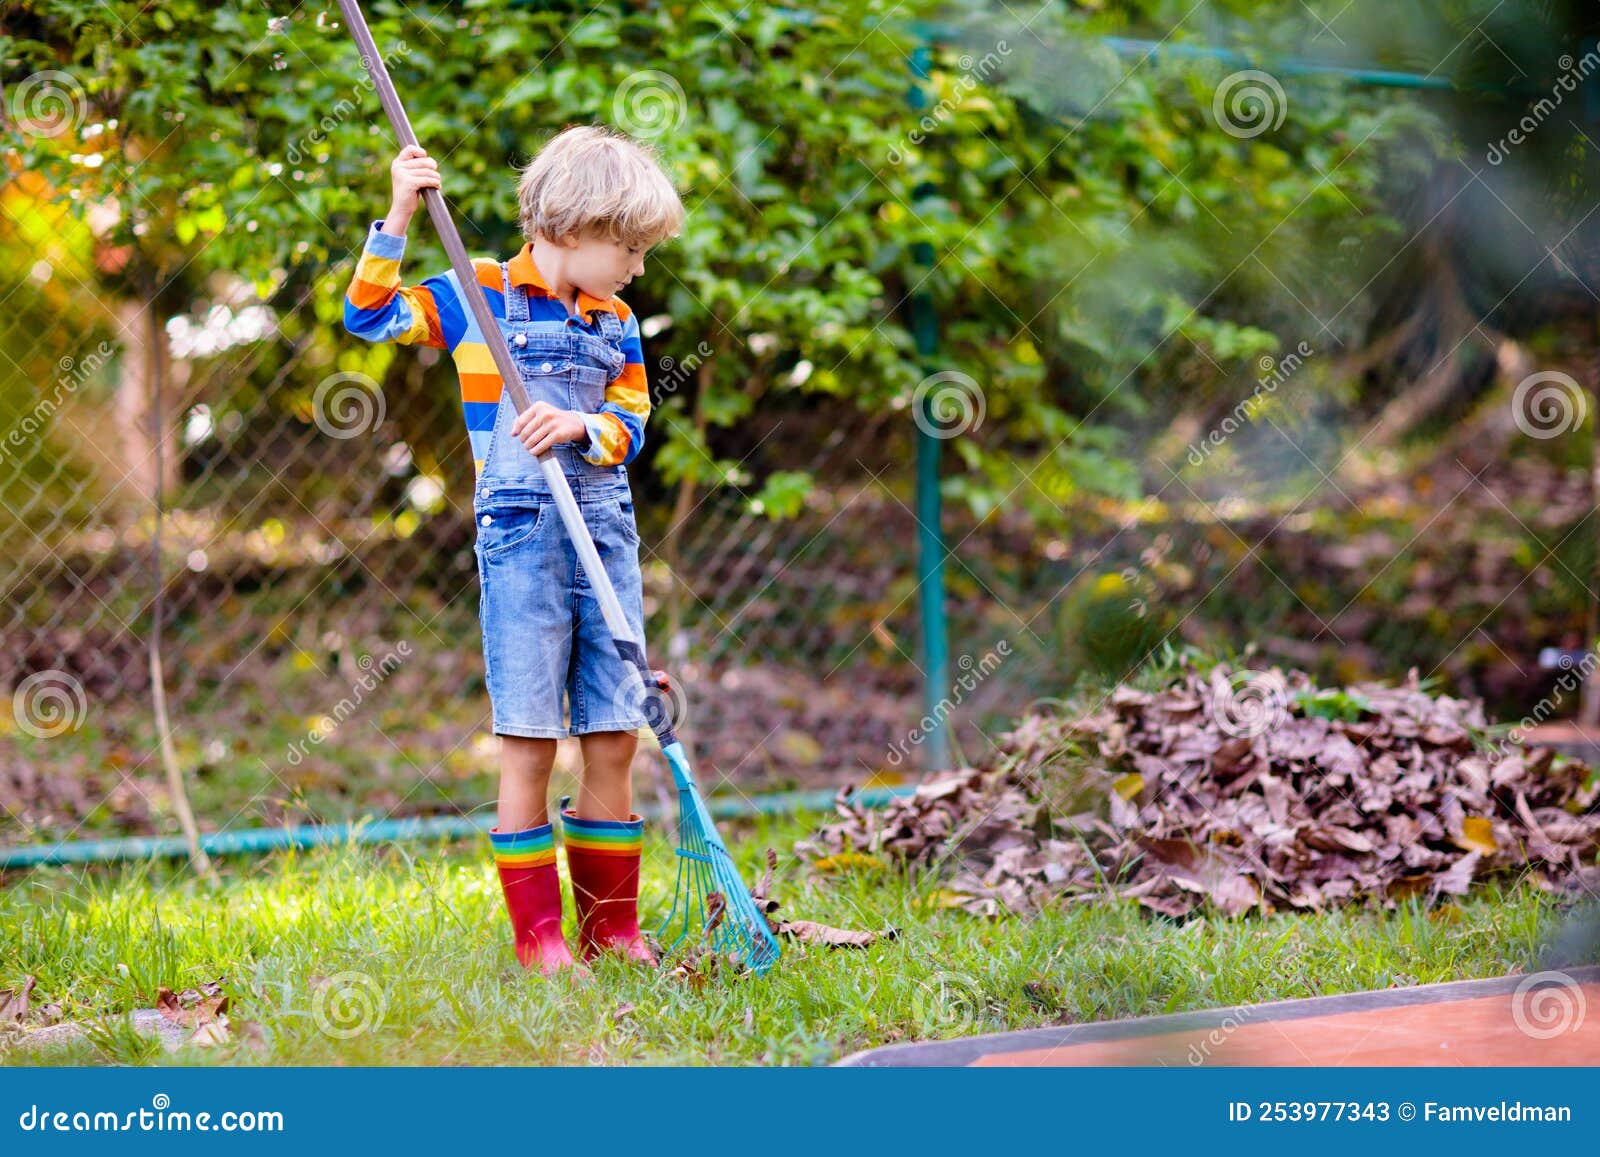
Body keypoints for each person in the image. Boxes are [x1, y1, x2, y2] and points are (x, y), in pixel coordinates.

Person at [342, 126, 685, 975]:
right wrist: (397, 209)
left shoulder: (619, 321)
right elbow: (368, 315)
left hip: (605, 537)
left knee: (613, 733)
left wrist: (584, 426)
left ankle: (612, 928)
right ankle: (540, 941)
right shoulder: (477, 293)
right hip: (524, 541)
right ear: (574, 227)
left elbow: (633, 423)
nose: (638, 268)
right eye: (630, 249)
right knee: (530, 737)